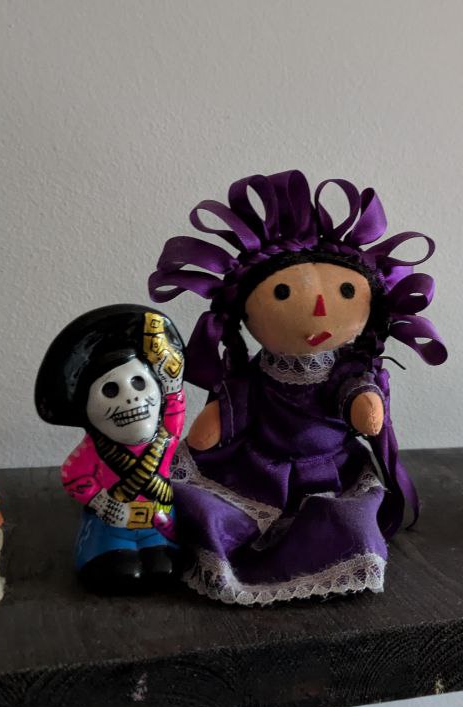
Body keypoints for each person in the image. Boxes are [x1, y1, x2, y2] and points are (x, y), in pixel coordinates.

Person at [148, 170, 446, 604]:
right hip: (256, 470)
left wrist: (366, 402)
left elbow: (361, 407)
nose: (321, 308)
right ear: (243, 314)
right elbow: (234, 407)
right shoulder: (256, 374)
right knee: (208, 508)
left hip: (332, 476)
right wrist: (217, 420)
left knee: (348, 524)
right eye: (284, 293)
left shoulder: (344, 374)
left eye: (347, 291)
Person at [36, 305, 186, 593]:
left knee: (165, 568)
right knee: (116, 570)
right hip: (113, 525)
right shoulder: (93, 450)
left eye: (139, 383)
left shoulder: (166, 435)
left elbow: (175, 403)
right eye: (110, 390)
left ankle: (157, 550)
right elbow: (73, 477)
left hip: (160, 521)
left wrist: (171, 376)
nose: (131, 398)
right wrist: (101, 501)